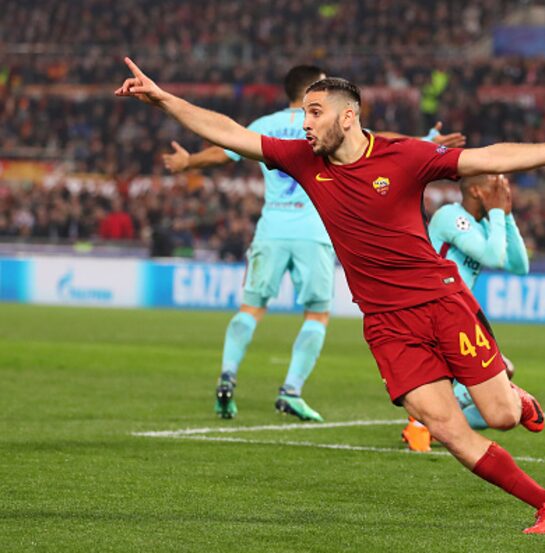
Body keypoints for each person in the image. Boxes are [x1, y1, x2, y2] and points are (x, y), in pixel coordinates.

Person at [116, 57, 545, 534]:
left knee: (502, 418)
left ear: (348, 116)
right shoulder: (301, 160)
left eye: (315, 113)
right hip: (386, 324)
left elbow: (486, 158)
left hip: (441, 303)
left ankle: (513, 395)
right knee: (445, 428)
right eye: (302, 114)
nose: (304, 124)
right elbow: (229, 132)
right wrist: (163, 99)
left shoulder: (404, 157)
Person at [162, 65, 465, 421]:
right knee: (317, 314)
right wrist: (424, 142)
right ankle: (291, 390)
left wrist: (189, 162)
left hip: (271, 229)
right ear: (309, 89)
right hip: (314, 232)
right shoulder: (327, 126)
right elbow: (376, 139)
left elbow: (225, 149)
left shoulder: (265, 125)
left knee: (251, 309)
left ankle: (227, 376)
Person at [401, 173, 529, 452]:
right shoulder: (450, 216)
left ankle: (432, 425)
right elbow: (494, 257)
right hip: (430, 310)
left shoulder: (484, 226)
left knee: (503, 371)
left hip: (455, 314)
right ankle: (425, 422)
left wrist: (505, 217)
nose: (501, 191)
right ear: (477, 191)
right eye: (494, 186)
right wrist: (496, 213)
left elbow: (520, 266)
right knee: (496, 374)